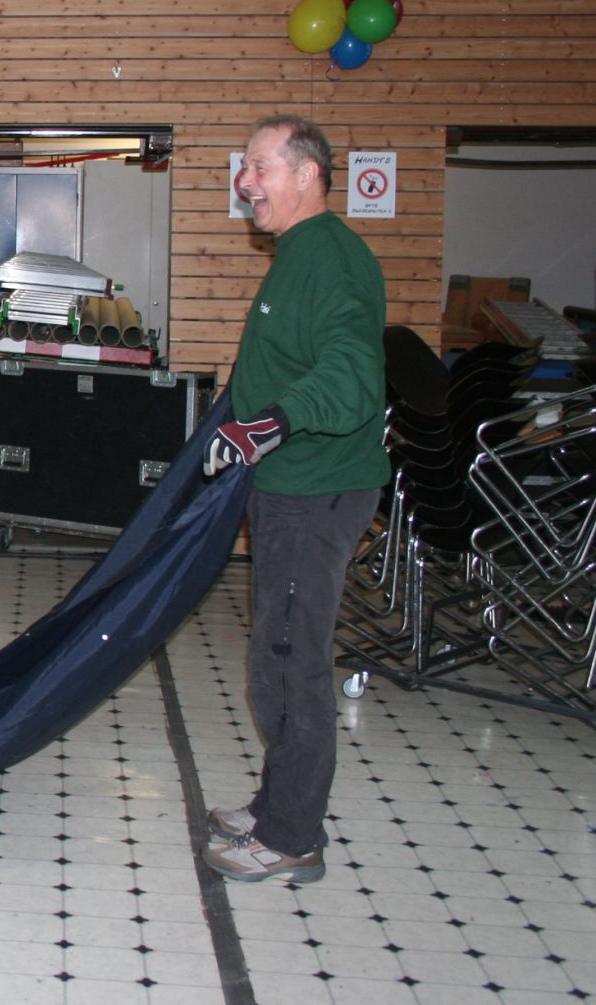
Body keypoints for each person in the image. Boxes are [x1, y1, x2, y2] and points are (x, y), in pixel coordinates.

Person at [199, 114, 390, 885]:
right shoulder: (299, 251)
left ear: (307, 174)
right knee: (273, 653)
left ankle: (292, 835)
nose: (244, 181)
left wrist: (271, 422)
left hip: (316, 488)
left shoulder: (333, 260)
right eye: (244, 166)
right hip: (289, 483)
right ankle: (277, 801)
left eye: (259, 166)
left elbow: (352, 375)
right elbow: (286, 359)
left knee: (289, 661)